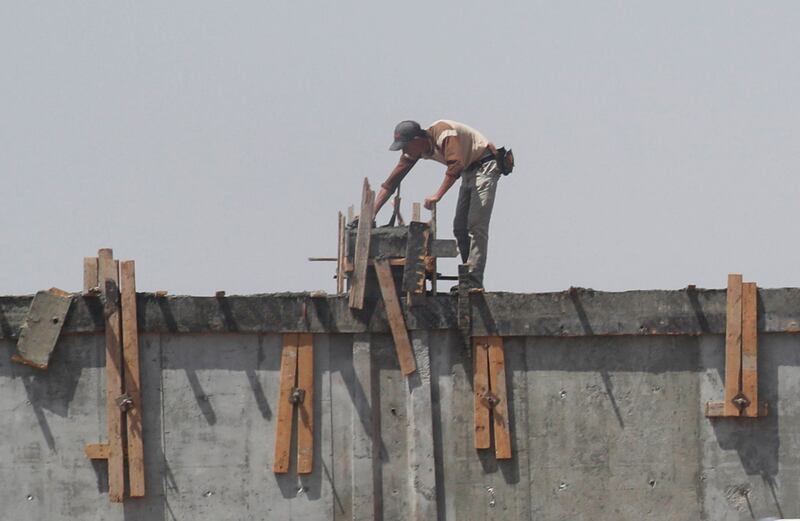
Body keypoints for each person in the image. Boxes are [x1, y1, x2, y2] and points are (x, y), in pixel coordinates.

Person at [375, 120, 503, 290]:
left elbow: (456, 165)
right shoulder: (415, 150)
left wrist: (438, 195)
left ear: (417, 139)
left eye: (406, 146)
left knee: (475, 226)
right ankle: (468, 278)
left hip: (485, 166)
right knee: (459, 228)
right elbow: (391, 183)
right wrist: (371, 213)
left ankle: (474, 280)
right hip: (468, 170)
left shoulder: (443, 134)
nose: (405, 151)